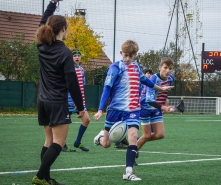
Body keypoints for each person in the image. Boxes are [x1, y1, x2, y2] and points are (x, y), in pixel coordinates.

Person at [93, 40, 174, 181]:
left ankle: (128, 172)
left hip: (133, 109)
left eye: (130, 56)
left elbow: (145, 80)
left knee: (132, 138)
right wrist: (100, 109)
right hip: (115, 109)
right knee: (106, 144)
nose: (127, 59)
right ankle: (100, 137)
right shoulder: (114, 68)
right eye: (125, 55)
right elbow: (107, 89)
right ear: (121, 53)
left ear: (135, 55)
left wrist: (160, 89)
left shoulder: (136, 67)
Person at [32, 1, 85, 185]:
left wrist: (52, 4)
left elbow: (42, 22)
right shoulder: (65, 52)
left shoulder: (41, 46)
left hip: (43, 102)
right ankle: (39, 176)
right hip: (57, 103)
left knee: (48, 142)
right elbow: (72, 83)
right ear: (64, 29)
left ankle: (45, 179)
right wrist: (82, 109)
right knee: (58, 143)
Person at [136, 57, 175, 164]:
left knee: (160, 134)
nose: (167, 71)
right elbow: (149, 100)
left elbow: (163, 94)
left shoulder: (170, 78)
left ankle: (136, 143)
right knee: (147, 135)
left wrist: (165, 105)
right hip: (145, 107)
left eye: (170, 68)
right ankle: (133, 151)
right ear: (160, 67)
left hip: (156, 108)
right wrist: (162, 107)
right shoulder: (153, 79)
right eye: (165, 68)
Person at [114, 69, 154, 149]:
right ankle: (118, 141)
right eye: (147, 73)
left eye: (150, 73)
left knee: (131, 122)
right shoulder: (139, 82)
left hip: (137, 105)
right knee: (126, 122)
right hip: (132, 105)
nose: (149, 75)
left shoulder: (145, 84)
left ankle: (126, 140)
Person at [62, 49, 90, 152]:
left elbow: (82, 86)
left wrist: (81, 101)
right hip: (68, 101)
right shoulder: (68, 69)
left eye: (78, 55)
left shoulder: (82, 70)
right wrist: (74, 100)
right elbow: (69, 86)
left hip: (79, 102)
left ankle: (77, 142)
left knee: (86, 120)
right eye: (75, 56)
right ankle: (63, 145)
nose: (77, 57)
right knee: (65, 123)